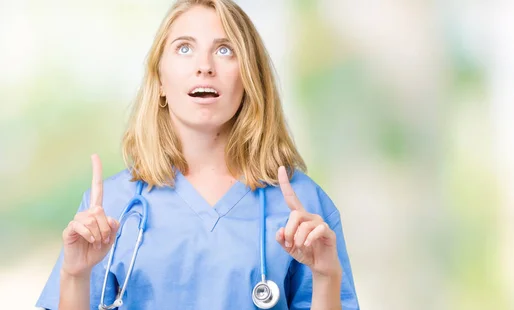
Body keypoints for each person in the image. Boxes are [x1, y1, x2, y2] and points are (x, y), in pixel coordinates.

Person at [35, 0, 360, 309]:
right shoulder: (109, 208)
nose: (204, 67)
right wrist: (74, 275)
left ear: (249, 77)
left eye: (225, 49)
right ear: (160, 80)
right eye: (184, 48)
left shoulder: (305, 208)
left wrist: (326, 276)